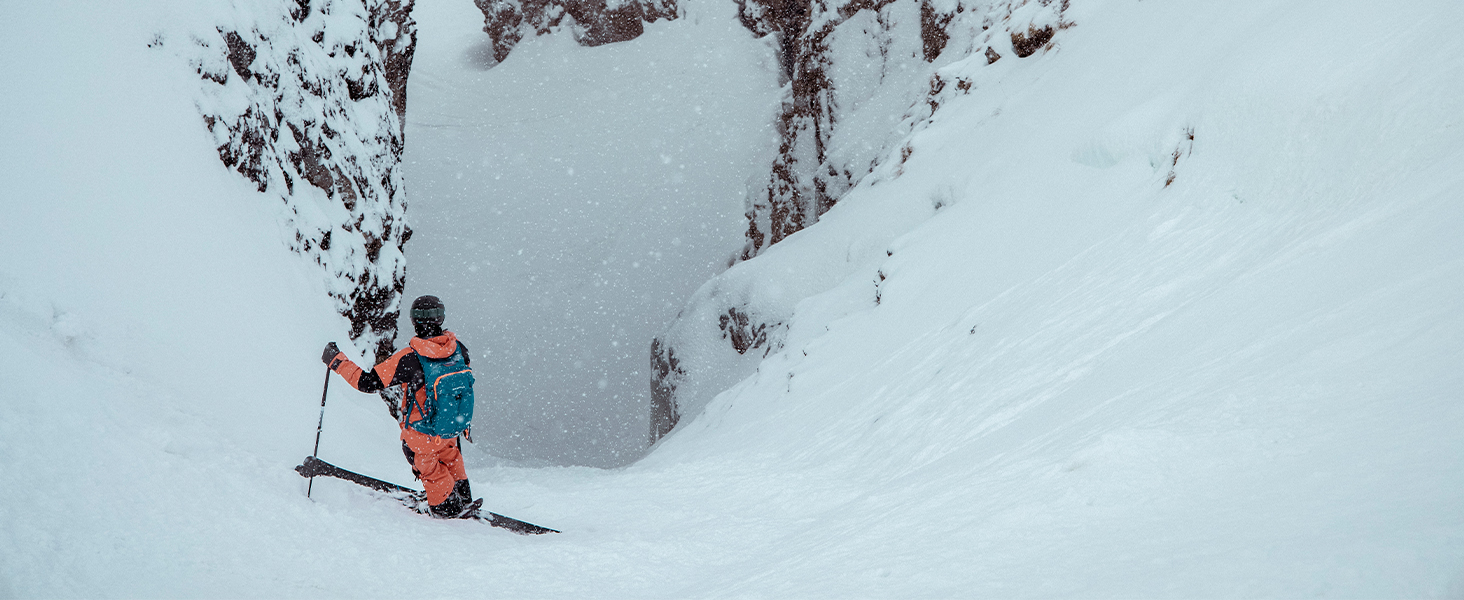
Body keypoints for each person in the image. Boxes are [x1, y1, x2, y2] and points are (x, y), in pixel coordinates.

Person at [321, 295, 478, 518]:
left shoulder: (408, 359)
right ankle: (462, 496)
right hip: (450, 426)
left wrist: (337, 361)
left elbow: (366, 383)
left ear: (414, 321)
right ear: (441, 318)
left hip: (421, 433)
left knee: (428, 466)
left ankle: (446, 507)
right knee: (450, 456)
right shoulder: (459, 350)